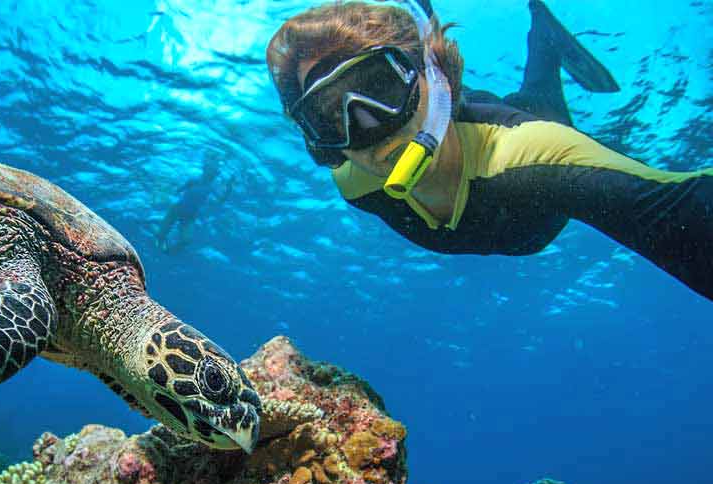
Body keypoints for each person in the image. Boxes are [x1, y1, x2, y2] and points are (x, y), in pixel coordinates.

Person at [266, 0, 713, 300]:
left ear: (436, 78)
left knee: (542, 95)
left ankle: (545, 37)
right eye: (329, 114)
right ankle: (545, 40)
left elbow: (681, 205)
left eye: (378, 87)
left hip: (515, 120)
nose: (367, 128)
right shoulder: (354, 181)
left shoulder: (535, 156)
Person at [154, 153, 232, 253]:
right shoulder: (193, 181)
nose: (213, 173)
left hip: (190, 216)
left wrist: (229, 188)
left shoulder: (211, 188)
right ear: (205, 170)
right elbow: (177, 190)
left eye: (214, 171)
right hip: (177, 209)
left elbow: (221, 201)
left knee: (186, 240)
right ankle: (159, 235)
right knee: (160, 235)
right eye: (210, 170)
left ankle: (168, 252)